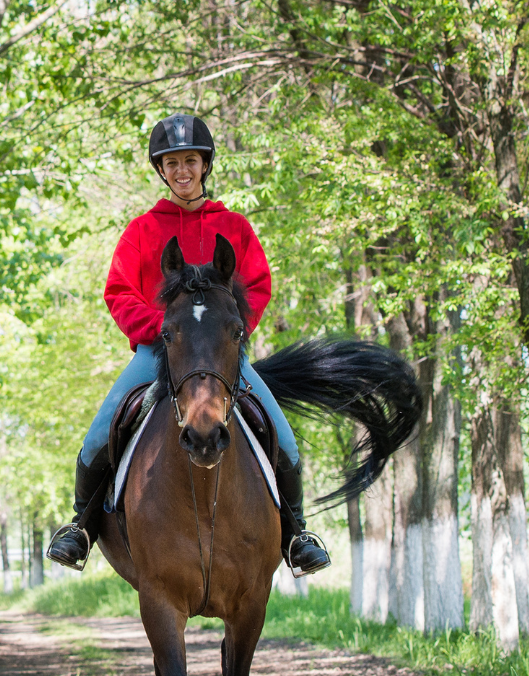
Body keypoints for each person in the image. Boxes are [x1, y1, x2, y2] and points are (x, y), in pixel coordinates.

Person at [46, 113, 330, 578]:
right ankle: (81, 528)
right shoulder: (141, 230)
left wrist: (226, 337)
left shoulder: (234, 226)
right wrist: (164, 329)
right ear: (161, 170)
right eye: (173, 163)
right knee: (100, 433)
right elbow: (118, 292)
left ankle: (297, 534)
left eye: (191, 161)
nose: (182, 171)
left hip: (221, 355)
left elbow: (256, 286)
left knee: (284, 438)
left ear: (205, 166)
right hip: (158, 352)